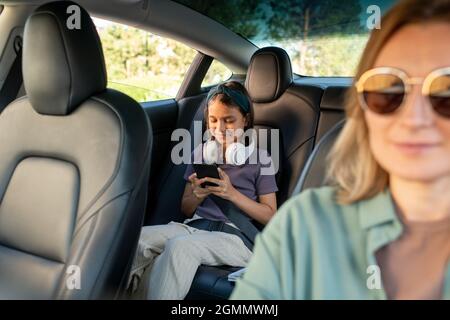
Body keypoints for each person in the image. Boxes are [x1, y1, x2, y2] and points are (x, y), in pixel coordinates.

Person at [230, 0, 450, 300]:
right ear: (363, 109)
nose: (414, 117)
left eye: (445, 93)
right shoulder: (305, 223)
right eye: (387, 90)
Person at [128, 81, 278, 299]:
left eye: (229, 120)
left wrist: (231, 194)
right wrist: (198, 195)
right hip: (194, 227)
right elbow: (186, 208)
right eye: (213, 120)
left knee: (181, 248)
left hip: (236, 237)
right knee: (139, 240)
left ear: (245, 120)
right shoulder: (201, 154)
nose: (220, 128)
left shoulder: (261, 159)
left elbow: (271, 216)